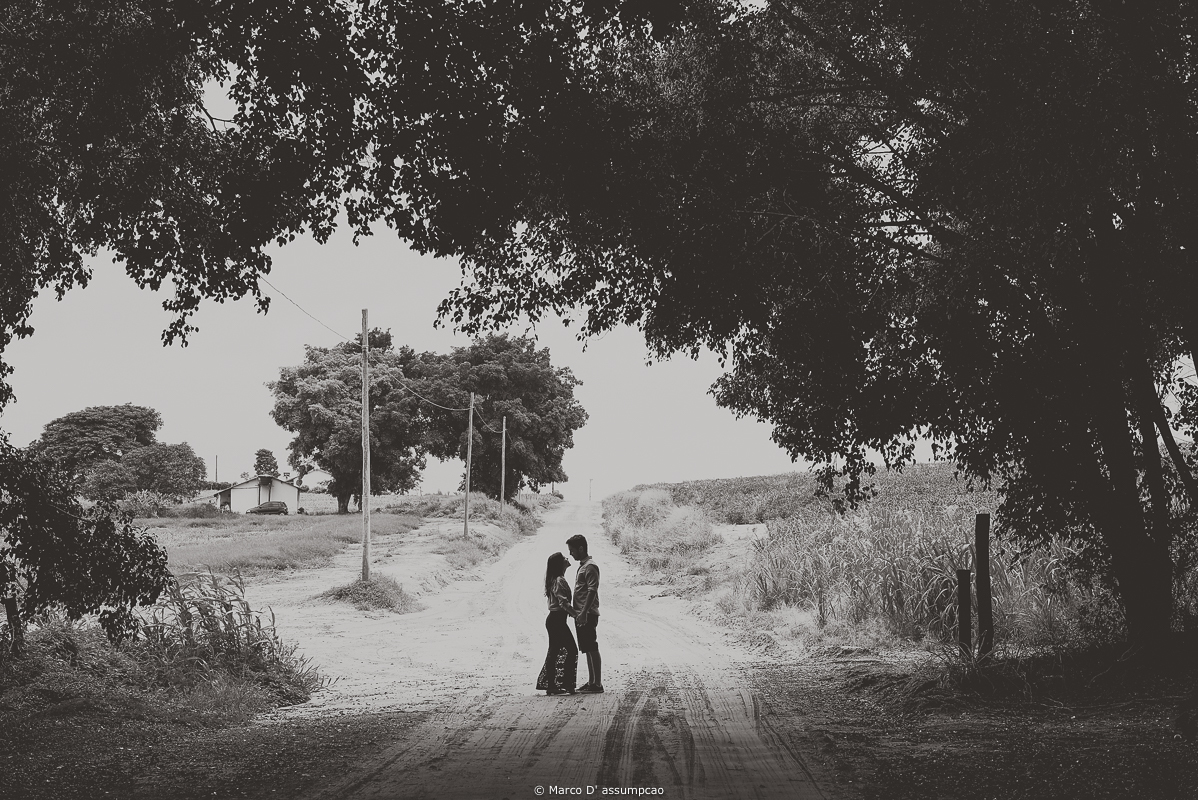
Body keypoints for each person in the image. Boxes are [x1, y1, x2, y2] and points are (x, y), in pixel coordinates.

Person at [536, 552, 578, 696]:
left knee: (554, 651)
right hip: (557, 620)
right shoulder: (559, 580)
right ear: (560, 564)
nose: (567, 558)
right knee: (571, 650)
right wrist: (576, 615)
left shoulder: (556, 579)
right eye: (564, 558)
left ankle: (553, 685)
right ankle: (566, 684)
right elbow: (563, 603)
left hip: (554, 619)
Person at [567, 534, 602, 693]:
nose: (571, 554)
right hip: (582, 613)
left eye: (572, 550)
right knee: (587, 648)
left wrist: (584, 612)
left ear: (581, 548)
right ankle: (592, 681)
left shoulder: (590, 567)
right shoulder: (583, 566)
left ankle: (597, 684)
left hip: (587, 614)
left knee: (592, 646)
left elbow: (592, 591)